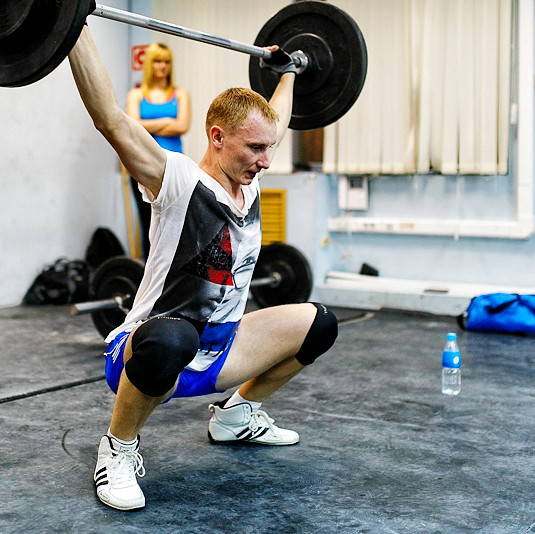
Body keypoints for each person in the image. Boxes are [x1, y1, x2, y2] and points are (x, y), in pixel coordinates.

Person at [67, 26, 338, 512]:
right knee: (174, 337)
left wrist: (292, 71)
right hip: (151, 350)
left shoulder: (248, 182)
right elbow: (110, 118)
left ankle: (237, 415)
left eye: (269, 148)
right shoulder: (176, 181)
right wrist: (73, 29)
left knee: (320, 323)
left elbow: (275, 121)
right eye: (255, 149)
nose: (266, 160)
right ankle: (117, 448)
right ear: (217, 137)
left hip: (222, 351)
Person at [125, 43, 190, 258]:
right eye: (157, 60)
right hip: (141, 166)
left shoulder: (181, 94)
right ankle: (148, 275)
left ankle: (171, 276)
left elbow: (183, 126)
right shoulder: (136, 95)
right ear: (149, 64)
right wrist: (165, 120)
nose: (162, 66)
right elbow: (132, 126)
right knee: (148, 224)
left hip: (173, 168)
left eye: (166, 61)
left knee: (174, 225)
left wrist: (147, 123)